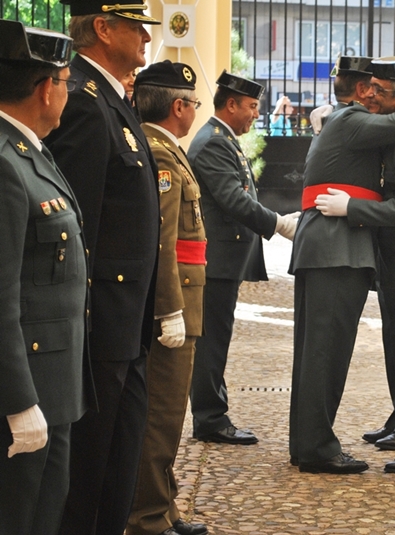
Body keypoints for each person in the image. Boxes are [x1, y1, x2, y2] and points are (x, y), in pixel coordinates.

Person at [288, 55, 395, 473]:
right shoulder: (352, 120)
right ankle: (317, 447)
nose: (373, 94)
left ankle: (308, 443)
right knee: (324, 353)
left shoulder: (346, 121)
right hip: (334, 249)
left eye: (382, 89)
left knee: (317, 352)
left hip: (334, 247)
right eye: (371, 87)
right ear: (360, 90)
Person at [43, 1, 162, 533]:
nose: (144, 37)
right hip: (100, 323)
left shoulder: (113, 99)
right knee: (92, 468)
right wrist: (82, 322)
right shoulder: (86, 102)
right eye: (135, 26)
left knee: (120, 460)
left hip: (126, 319)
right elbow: (76, 227)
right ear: (102, 27)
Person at [0, 21, 89, 535]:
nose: (66, 93)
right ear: (44, 88)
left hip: (52, 387)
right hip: (25, 392)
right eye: (66, 81)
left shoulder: (30, 150)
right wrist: (17, 403)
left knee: (44, 515)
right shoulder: (6, 163)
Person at [188, 71, 296, 446]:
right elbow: (234, 200)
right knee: (211, 341)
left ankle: (213, 413)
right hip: (214, 260)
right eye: (251, 106)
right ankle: (209, 418)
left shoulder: (223, 139)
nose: (255, 114)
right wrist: (280, 224)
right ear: (230, 104)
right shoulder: (214, 142)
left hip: (223, 260)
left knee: (216, 338)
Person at [126, 61, 208, 535]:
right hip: (173, 308)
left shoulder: (165, 150)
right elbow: (162, 240)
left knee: (169, 417)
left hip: (184, 302)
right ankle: (147, 517)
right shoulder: (159, 154)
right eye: (194, 103)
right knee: (160, 417)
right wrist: (169, 309)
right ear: (178, 106)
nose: (195, 111)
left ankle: (164, 504)